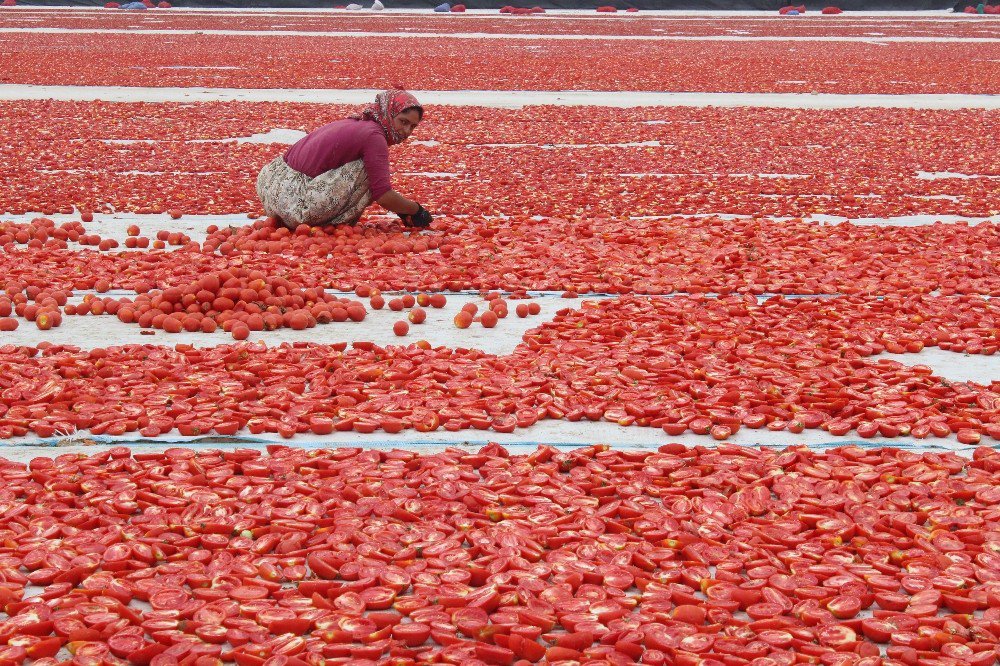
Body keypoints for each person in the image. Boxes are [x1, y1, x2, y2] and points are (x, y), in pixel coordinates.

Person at [256, 89, 433, 230]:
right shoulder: (374, 136)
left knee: (371, 167)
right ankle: (324, 222)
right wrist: (415, 210)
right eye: (403, 121)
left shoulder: (358, 123)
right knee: (368, 170)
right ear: (388, 113)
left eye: (412, 126)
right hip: (295, 206)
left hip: (273, 191)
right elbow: (383, 195)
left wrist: (402, 210)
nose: (407, 131)